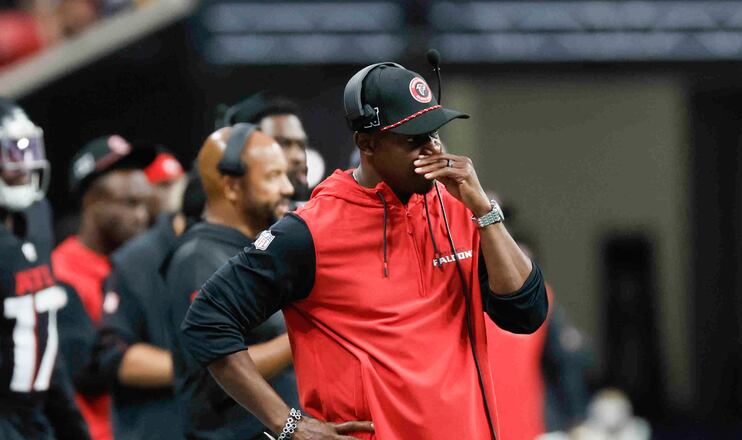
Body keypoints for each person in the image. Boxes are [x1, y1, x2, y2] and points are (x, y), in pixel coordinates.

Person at [181, 62, 549, 439]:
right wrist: (287, 424)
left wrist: (485, 211)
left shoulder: (459, 207)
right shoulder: (310, 230)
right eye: (412, 140)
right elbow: (206, 321)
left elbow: (525, 312)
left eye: (434, 134)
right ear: (367, 144)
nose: (431, 150)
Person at [164, 125, 297, 439]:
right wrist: (304, 335)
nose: (287, 187)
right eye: (272, 176)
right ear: (232, 186)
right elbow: (216, 368)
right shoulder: (198, 258)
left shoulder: (259, 247)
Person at [52, 135, 155, 440]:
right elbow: (87, 374)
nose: (141, 216)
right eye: (129, 204)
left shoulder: (140, 264)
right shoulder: (60, 273)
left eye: (144, 205)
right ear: (90, 201)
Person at [0, 97, 90, 439]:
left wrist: (69, 422)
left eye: (26, 148)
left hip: (35, 412)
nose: (22, 165)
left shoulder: (37, 215)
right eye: (9, 152)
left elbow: (43, 334)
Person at [93, 170, 203, 440]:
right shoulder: (135, 261)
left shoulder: (242, 253)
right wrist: (221, 365)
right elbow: (116, 358)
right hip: (156, 426)